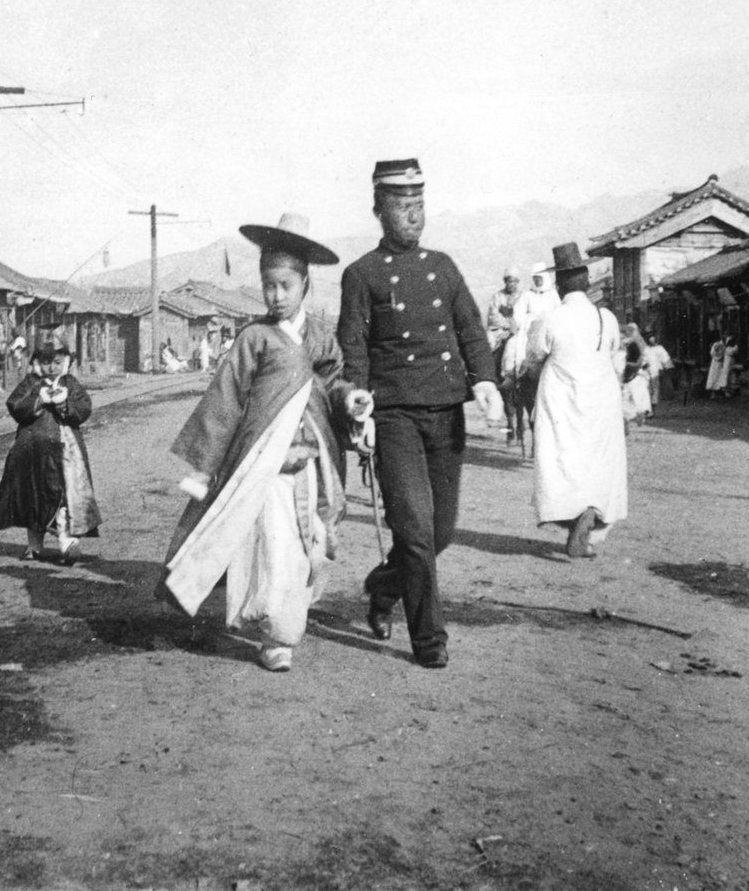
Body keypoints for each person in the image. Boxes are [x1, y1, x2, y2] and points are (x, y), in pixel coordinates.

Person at [159, 213, 364, 673]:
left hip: (312, 461)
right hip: (264, 467)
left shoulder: (319, 337)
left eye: (285, 285)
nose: (276, 296)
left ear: (305, 284)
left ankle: (288, 618)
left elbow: (332, 383)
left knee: (306, 544)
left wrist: (350, 399)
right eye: (268, 285)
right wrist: (204, 465)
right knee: (273, 546)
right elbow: (226, 399)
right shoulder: (254, 338)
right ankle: (276, 636)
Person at [337, 160, 502, 670]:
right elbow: (354, 348)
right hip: (396, 418)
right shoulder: (361, 274)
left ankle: (383, 586)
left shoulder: (445, 267)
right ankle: (429, 638)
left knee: (442, 532)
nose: (413, 216)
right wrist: (359, 404)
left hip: (446, 413)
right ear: (378, 210)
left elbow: (471, 331)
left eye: (419, 205)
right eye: (402, 206)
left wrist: (487, 381)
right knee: (414, 531)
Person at [525, 243, 626, 558]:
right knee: (599, 459)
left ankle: (573, 515)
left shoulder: (548, 319)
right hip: (602, 397)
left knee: (563, 457)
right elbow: (614, 354)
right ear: (586, 281)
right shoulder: (606, 318)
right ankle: (592, 514)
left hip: (561, 398)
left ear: (559, 285)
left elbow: (533, 359)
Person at [0, 337, 101, 564]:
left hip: (66, 453)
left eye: (57, 362)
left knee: (64, 497)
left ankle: (67, 543)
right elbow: (15, 405)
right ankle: (34, 545)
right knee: (33, 496)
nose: (51, 367)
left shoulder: (71, 384)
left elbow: (84, 408)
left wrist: (63, 405)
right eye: (46, 362)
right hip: (32, 453)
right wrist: (38, 401)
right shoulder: (31, 383)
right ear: (37, 362)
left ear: (66, 361)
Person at [503, 261, 562, 381]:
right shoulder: (527, 295)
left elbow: (559, 313)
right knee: (512, 345)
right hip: (529, 330)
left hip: (549, 329)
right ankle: (510, 377)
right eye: (535, 278)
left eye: (539, 278)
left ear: (545, 278)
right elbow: (518, 314)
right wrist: (530, 319)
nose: (537, 281)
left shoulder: (553, 294)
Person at [620, 323, 652, 429]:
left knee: (634, 396)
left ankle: (634, 415)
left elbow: (644, 358)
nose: (628, 332)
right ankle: (632, 416)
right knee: (631, 396)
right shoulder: (629, 342)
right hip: (632, 373)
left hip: (637, 372)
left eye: (631, 330)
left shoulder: (637, 342)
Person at [485, 266, 520, 359]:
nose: (511, 284)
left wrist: (508, 316)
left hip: (516, 330)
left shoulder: (522, 296)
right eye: (509, 281)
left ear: (517, 282)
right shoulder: (498, 296)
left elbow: (520, 315)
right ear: (505, 282)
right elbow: (493, 316)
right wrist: (507, 322)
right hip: (499, 330)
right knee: (488, 343)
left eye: (514, 282)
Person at [644, 333, 673, 411]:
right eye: (650, 338)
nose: (652, 340)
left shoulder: (659, 348)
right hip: (645, 373)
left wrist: (668, 368)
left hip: (655, 372)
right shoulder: (645, 349)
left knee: (654, 389)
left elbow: (666, 358)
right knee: (648, 389)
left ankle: (652, 407)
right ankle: (648, 407)